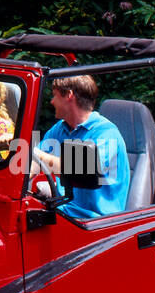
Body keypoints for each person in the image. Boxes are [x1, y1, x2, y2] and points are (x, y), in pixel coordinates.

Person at [32, 74, 130, 217]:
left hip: (95, 222)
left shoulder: (105, 133)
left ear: (69, 95)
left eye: (55, 95)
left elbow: (82, 172)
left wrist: (34, 153)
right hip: (65, 213)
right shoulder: (61, 128)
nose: (52, 101)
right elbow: (34, 161)